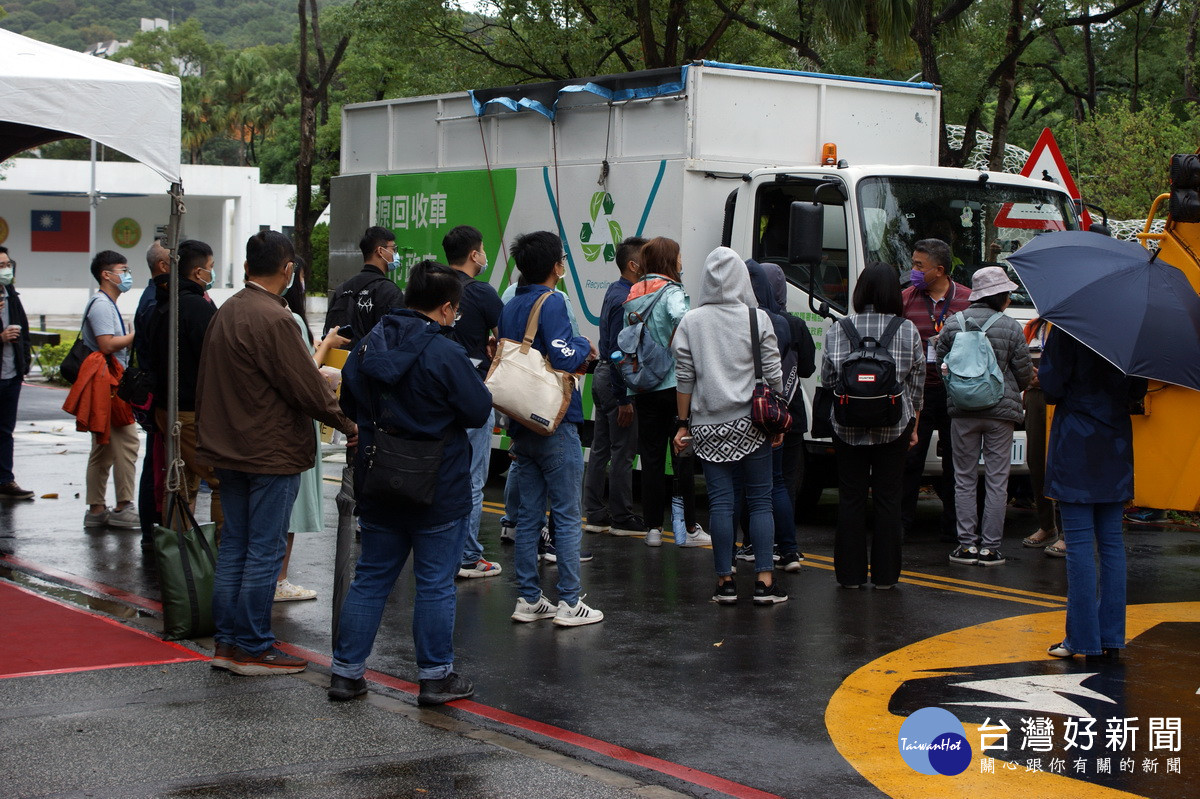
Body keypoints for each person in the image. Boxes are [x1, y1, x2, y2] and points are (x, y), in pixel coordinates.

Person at [330, 260, 492, 704]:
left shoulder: (367, 346)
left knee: (371, 578)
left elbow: (349, 398)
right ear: (444, 308)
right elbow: (478, 411)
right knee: (435, 583)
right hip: (437, 482)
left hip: (378, 476)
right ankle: (435, 677)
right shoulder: (446, 353)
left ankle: (345, 673)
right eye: (454, 310)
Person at [197, 231, 357, 676]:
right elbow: (306, 385)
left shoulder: (227, 310)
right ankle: (252, 645)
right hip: (269, 450)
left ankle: (228, 644)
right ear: (288, 269)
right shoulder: (275, 317)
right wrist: (347, 424)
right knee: (264, 549)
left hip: (229, 448)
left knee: (236, 547)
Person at [498, 231, 604, 626]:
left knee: (528, 516)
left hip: (521, 419)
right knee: (565, 512)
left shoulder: (510, 302)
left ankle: (529, 599)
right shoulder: (554, 300)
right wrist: (582, 347)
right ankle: (570, 602)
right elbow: (562, 353)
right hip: (554, 421)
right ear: (556, 266)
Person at [671, 247, 786, 605]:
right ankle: (765, 581)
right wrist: (777, 413)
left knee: (721, 503)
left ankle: (725, 581)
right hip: (753, 423)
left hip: (707, 425)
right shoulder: (757, 318)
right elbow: (774, 372)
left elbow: (684, 378)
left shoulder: (691, 321)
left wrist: (682, 424)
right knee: (760, 500)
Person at [1040, 327, 1146, 661]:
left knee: (1080, 546)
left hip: (1075, 442)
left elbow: (1052, 389)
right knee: (1113, 544)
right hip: (1114, 443)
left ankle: (1081, 638)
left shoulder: (1070, 327)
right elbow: (1137, 390)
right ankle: (1111, 634)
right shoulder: (1133, 332)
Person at [821, 262, 924, 589]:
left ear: (860, 291)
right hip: (894, 427)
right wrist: (915, 426)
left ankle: (850, 577)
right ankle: (885, 577)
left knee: (850, 499)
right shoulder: (907, 330)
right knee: (888, 500)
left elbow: (827, 379)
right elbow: (917, 385)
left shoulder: (839, 328)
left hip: (847, 426)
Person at [935, 267, 1032, 567]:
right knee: (997, 479)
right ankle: (990, 548)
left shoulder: (953, 323)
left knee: (963, 478)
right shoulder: (1011, 326)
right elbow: (1024, 372)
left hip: (963, 411)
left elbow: (941, 364)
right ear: (1000, 296)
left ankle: (966, 546)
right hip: (1001, 412)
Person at [623, 237, 709, 548]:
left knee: (651, 457)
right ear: (670, 260)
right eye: (679, 255)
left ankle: (653, 529)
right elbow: (686, 324)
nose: (682, 261)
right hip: (674, 386)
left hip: (644, 384)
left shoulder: (634, 292)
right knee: (682, 454)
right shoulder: (672, 292)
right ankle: (688, 528)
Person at [276, 259, 348, 602]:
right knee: (286, 510)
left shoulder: (238, 311)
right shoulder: (286, 320)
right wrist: (327, 346)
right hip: (291, 431)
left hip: (265, 433)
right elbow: (305, 373)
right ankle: (278, 579)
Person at [442, 225, 505, 579]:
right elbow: (507, 337)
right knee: (471, 475)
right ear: (473, 255)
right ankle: (467, 555)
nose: (484, 256)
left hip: (434, 389)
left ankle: (437, 549)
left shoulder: (434, 286)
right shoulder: (481, 292)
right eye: (481, 250)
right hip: (472, 390)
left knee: (439, 471)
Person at [148, 240, 221, 531]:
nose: (212, 275)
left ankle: (179, 550)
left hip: (168, 407)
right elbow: (213, 357)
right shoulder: (194, 307)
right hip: (189, 410)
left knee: (182, 482)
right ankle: (225, 552)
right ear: (198, 272)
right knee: (221, 478)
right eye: (211, 269)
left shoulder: (163, 304)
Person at [900, 238, 970, 539]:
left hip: (957, 392)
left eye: (919, 266)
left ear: (940, 270)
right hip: (918, 393)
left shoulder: (968, 300)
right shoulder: (905, 298)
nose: (913, 271)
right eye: (913, 264)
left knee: (958, 461)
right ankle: (901, 524)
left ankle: (954, 527)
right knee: (910, 459)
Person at [582, 236, 645, 537]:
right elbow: (621, 350)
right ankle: (621, 516)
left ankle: (595, 513)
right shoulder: (626, 298)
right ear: (633, 265)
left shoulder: (613, 291)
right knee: (622, 451)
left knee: (601, 448)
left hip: (602, 374)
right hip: (616, 378)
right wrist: (624, 398)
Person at [80, 251, 140, 529]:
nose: (126, 276)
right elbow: (106, 344)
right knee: (127, 441)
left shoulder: (104, 302)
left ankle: (96, 509)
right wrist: (136, 336)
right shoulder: (102, 305)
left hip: (108, 382)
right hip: (110, 384)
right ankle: (124, 506)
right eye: (122, 270)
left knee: (103, 446)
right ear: (107, 275)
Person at [132, 238, 171, 543]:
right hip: (159, 398)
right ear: (163, 265)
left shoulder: (156, 298)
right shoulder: (154, 303)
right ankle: (152, 532)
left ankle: (152, 530)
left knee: (156, 462)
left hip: (158, 395)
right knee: (156, 463)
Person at [1021, 317, 1064, 557]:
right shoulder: (1035, 325)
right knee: (1036, 463)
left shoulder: (1070, 324)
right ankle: (1047, 526)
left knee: (1062, 464)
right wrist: (1027, 376)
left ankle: (1069, 533)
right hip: (1036, 396)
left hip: (1062, 399)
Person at [323, 226, 406, 348]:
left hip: (340, 364)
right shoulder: (390, 291)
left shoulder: (342, 289)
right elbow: (398, 339)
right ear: (380, 251)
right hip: (374, 364)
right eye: (393, 249)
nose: (395, 254)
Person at [0, 246, 34, 500]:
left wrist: (23, 364)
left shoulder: (12, 296)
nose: (6, 270)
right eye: (1, 266)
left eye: (7, 264)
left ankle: (5, 479)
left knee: (5, 430)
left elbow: (24, 331)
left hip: (11, 376)